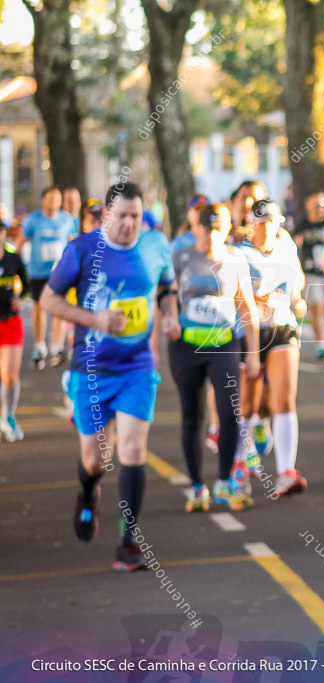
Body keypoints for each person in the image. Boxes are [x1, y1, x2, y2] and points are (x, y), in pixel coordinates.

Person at [41, 181, 178, 571]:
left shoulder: (155, 245)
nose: (131, 224)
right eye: (123, 216)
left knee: (132, 451)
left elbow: (167, 286)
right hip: (92, 371)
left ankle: (129, 540)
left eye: (137, 216)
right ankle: (87, 493)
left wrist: (169, 312)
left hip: (137, 366)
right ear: (106, 216)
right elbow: (48, 299)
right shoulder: (82, 250)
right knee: (97, 460)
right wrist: (95, 319)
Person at [169, 203, 261, 512]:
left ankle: (223, 481)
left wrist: (254, 352)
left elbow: (246, 306)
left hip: (223, 344)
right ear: (194, 228)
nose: (211, 234)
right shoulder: (180, 257)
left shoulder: (235, 259)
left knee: (228, 412)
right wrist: (163, 328)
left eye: (218, 228)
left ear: (227, 229)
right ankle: (197, 487)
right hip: (186, 346)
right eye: (205, 228)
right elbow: (165, 298)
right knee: (193, 416)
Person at [237, 200, 308, 497]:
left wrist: (297, 299)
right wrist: (256, 300)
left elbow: (297, 277)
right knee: (248, 406)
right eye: (261, 222)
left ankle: (285, 472)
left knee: (284, 400)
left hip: (282, 329)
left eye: (272, 222)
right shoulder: (240, 253)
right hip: (249, 333)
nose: (267, 228)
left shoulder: (287, 246)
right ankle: (239, 463)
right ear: (252, 224)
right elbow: (236, 296)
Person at [21, 185, 75, 368]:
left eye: (57, 198)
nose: (54, 202)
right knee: (39, 307)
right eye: (51, 198)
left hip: (59, 272)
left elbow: (72, 244)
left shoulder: (67, 220)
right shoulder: (32, 220)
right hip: (37, 271)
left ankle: (57, 346)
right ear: (43, 200)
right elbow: (22, 241)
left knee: (58, 307)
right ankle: (39, 345)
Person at [292, 190, 324, 359]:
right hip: (311, 274)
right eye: (317, 205)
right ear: (308, 206)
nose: (321, 208)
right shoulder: (301, 227)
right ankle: (321, 344)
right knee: (317, 307)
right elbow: (292, 249)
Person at [0, 222, 27, 441]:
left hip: (11, 321)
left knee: (10, 375)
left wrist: (20, 298)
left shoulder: (12, 258)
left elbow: (26, 284)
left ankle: (9, 416)